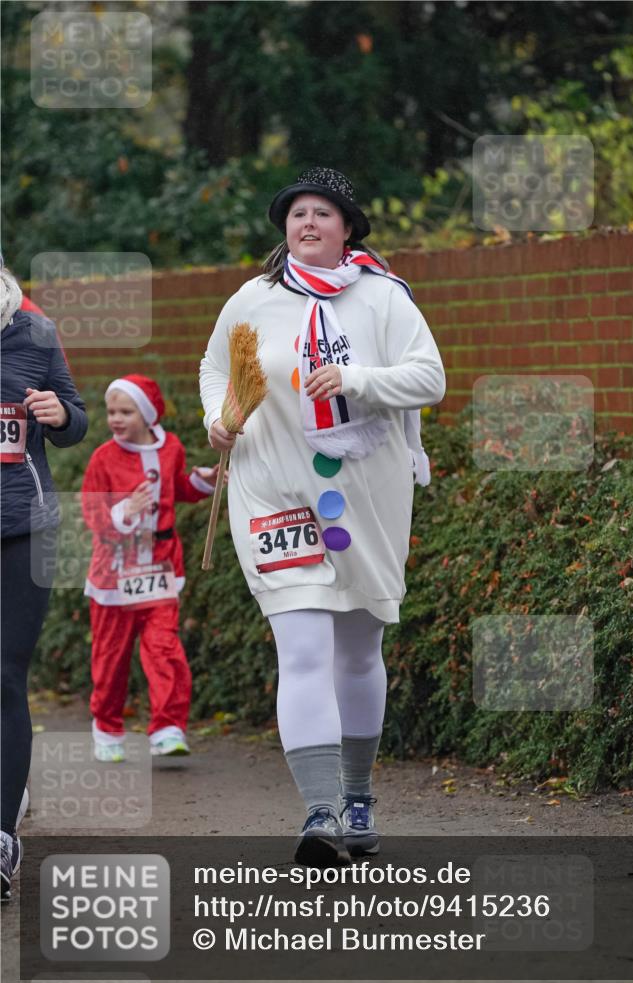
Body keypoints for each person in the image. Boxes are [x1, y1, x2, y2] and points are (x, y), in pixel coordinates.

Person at [200, 167, 445, 866]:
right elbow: (215, 366)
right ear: (284, 227)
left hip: (365, 492)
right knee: (302, 647)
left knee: (356, 650)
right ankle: (320, 811)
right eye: (297, 213)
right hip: (271, 488)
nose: (307, 223)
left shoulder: (381, 299)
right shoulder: (253, 298)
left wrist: (357, 379)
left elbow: (429, 378)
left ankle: (357, 794)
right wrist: (218, 418)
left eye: (323, 214)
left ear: (346, 230)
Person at [1, 264, 88, 901]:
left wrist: (59, 415)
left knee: (4, 675)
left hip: (21, 529)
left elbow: (77, 418)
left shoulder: (33, 332)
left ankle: (1, 836)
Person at [81, 374, 219, 762]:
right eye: (111, 412)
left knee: (164, 648)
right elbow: (93, 514)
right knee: (112, 657)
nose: (116, 419)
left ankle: (168, 728)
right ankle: (107, 729)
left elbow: (178, 489)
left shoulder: (171, 447)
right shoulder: (102, 459)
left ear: (147, 413)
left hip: (159, 569)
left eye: (126, 411)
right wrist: (126, 509)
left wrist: (201, 481)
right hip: (114, 575)